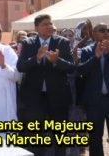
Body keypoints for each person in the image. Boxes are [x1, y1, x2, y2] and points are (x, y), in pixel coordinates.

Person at [17, 14, 74, 156]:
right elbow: (21, 67)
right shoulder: (28, 43)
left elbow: (72, 68)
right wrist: (36, 58)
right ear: (36, 27)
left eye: (50, 24)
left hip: (58, 97)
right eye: (45, 24)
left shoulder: (63, 42)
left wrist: (56, 61)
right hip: (34, 99)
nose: (49, 26)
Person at [78, 23, 109, 156]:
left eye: (108, 30)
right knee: (95, 137)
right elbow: (81, 71)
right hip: (94, 102)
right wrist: (95, 57)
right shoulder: (86, 51)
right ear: (94, 34)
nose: (106, 32)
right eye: (102, 30)